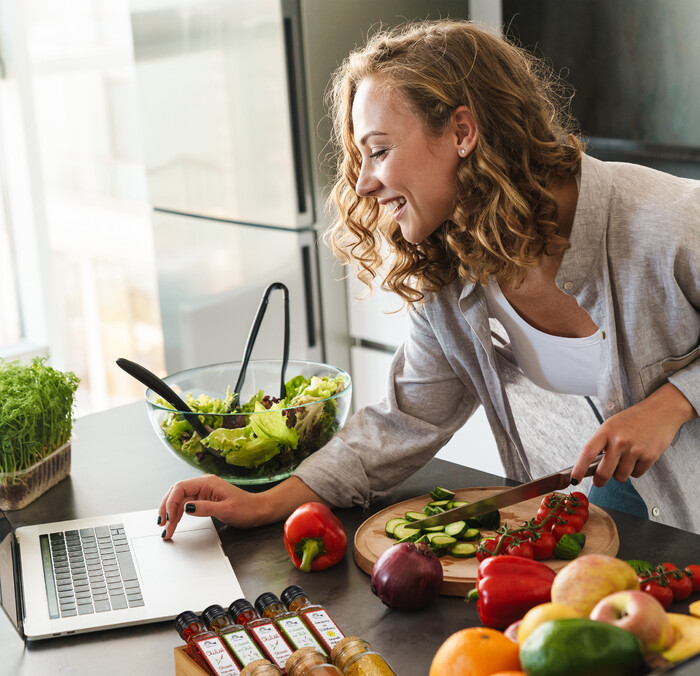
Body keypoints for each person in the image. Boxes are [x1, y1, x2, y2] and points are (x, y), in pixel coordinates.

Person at [158, 19, 699, 538]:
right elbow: (405, 419)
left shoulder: (667, 221)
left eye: (379, 151)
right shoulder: (454, 269)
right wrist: (264, 502)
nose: (365, 182)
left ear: (462, 131)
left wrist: (672, 404)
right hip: (617, 519)